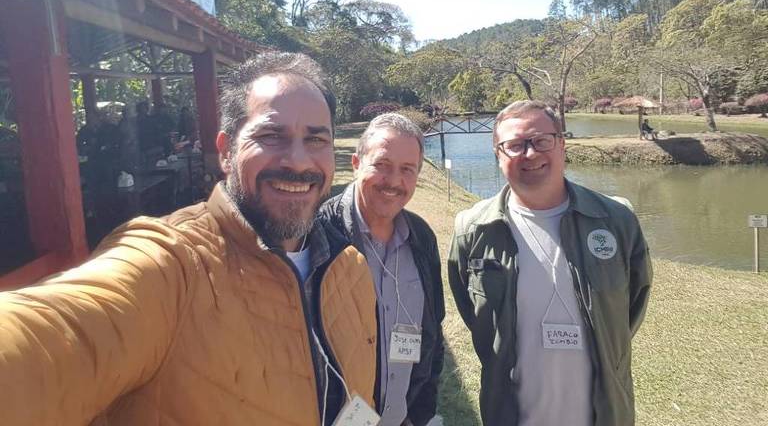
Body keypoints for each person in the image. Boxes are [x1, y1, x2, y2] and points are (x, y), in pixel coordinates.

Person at [0, 51, 379, 426]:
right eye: (270, 135)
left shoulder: (350, 269)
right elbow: (55, 331)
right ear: (226, 152)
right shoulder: (171, 264)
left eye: (316, 140)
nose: (298, 161)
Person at [448, 100, 652, 426]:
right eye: (514, 145)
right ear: (498, 156)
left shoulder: (616, 220)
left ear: (561, 144)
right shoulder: (472, 229)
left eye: (542, 140)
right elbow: (474, 314)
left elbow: (631, 307)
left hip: (603, 416)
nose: (530, 153)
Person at [319, 113, 445, 426]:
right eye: (382, 165)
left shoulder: (421, 238)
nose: (394, 181)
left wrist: (419, 413)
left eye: (407, 170)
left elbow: (432, 333)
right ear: (356, 163)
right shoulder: (319, 235)